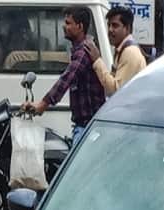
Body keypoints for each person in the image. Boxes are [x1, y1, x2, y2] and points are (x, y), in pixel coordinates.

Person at [23, 7, 105, 144]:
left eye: (68, 23)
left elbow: (67, 79)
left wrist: (43, 104)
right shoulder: (78, 50)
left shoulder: (84, 52)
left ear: (80, 26)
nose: (63, 26)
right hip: (85, 125)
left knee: (76, 166)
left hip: (87, 128)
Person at [84, 6, 146, 96]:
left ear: (127, 28)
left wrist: (97, 60)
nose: (110, 30)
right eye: (109, 25)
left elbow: (115, 91)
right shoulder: (122, 50)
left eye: (115, 25)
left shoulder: (130, 52)